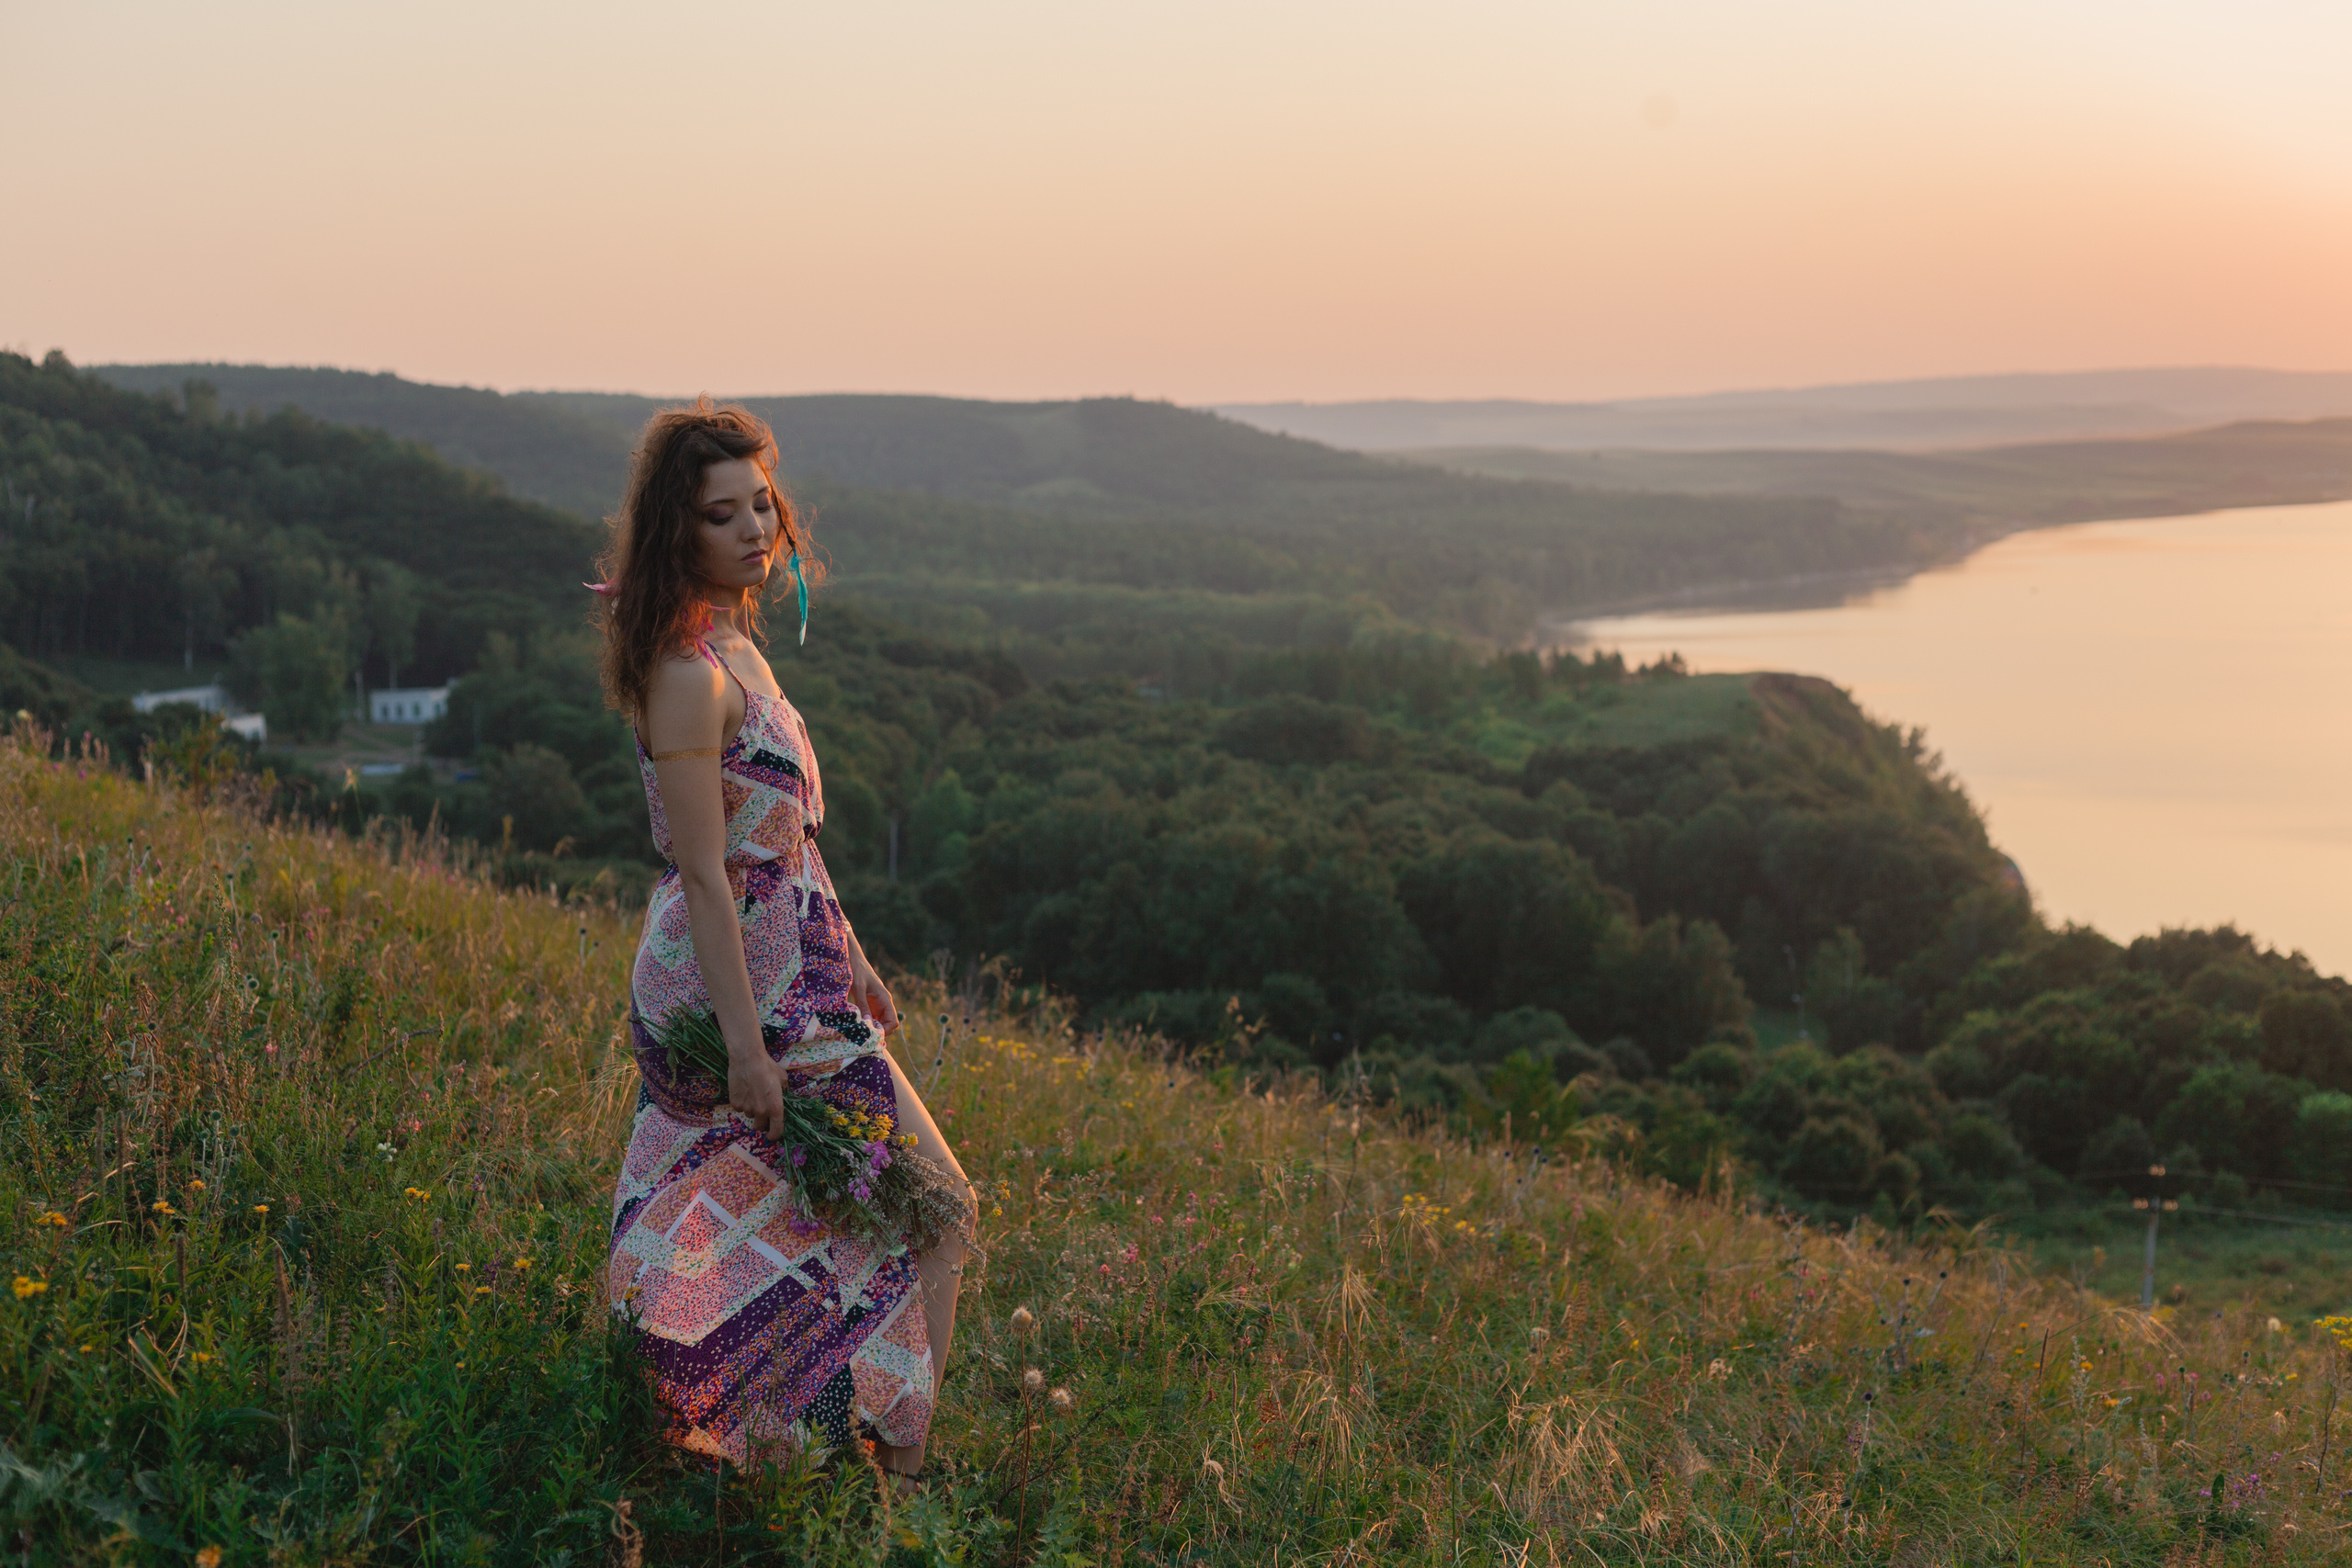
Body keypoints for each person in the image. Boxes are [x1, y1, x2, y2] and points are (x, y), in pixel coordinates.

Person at [595, 400, 969, 1483]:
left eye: (764, 502)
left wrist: (849, 950)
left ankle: (773, 1446)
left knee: (814, 1214)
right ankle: (892, 1478)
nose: (756, 529)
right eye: (723, 514)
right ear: (679, 533)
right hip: (736, 987)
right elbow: (706, 874)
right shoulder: (684, 674)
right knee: (936, 1207)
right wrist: (751, 1047)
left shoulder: (738, 647)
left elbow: (784, 836)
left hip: (800, 966)